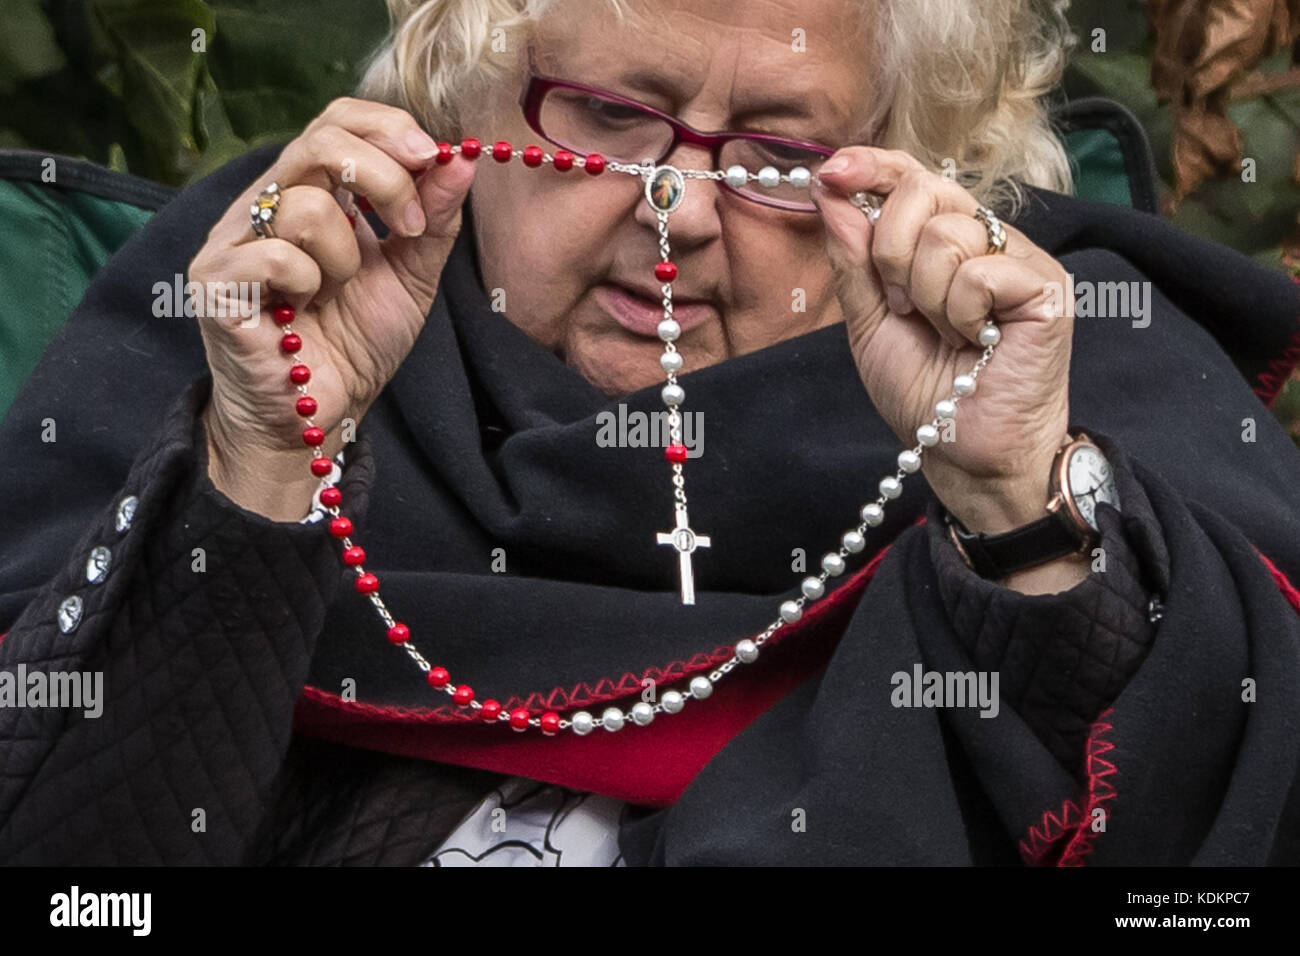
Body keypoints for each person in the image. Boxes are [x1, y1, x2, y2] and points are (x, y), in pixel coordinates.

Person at [1, 0, 1299, 866]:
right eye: (612, 116)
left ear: (914, 172)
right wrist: (260, 466)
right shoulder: (275, 284)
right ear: (465, 102)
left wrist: (1021, 507)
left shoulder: (1064, 363)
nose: (675, 209)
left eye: (778, 153)